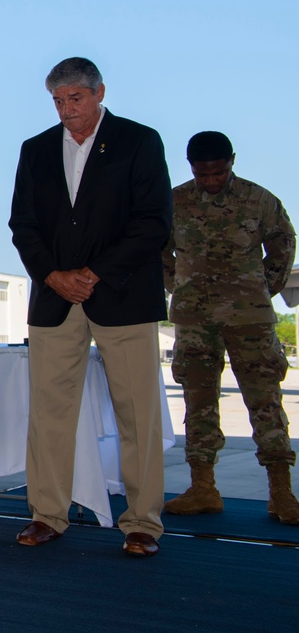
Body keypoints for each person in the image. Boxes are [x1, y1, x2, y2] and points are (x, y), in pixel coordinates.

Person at [8, 57, 172, 557]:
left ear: (99, 92)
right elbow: (23, 225)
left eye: (75, 99)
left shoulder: (139, 141)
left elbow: (152, 222)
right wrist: (54, 276)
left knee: (137, 413)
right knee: (50, 412)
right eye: (57, 101)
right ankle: (47, 515)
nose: (66, 110)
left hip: (122, 295)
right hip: (55, 299)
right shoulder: (35, 150)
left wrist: (95, 273)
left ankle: (142, 521)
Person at [162, 130, 299, 524]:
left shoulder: (259, 199)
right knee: (198, 401)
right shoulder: (175, 200)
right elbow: (158, 248)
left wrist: (261, 289)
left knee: (264, 400)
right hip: (194, 320)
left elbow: (283, 242)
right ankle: (202, 488)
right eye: (202, 174)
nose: (210, 181)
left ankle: (281, 492)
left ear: (232, 161)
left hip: (249, 319)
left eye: (218, 173)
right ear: (191, 168)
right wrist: (178, 286)